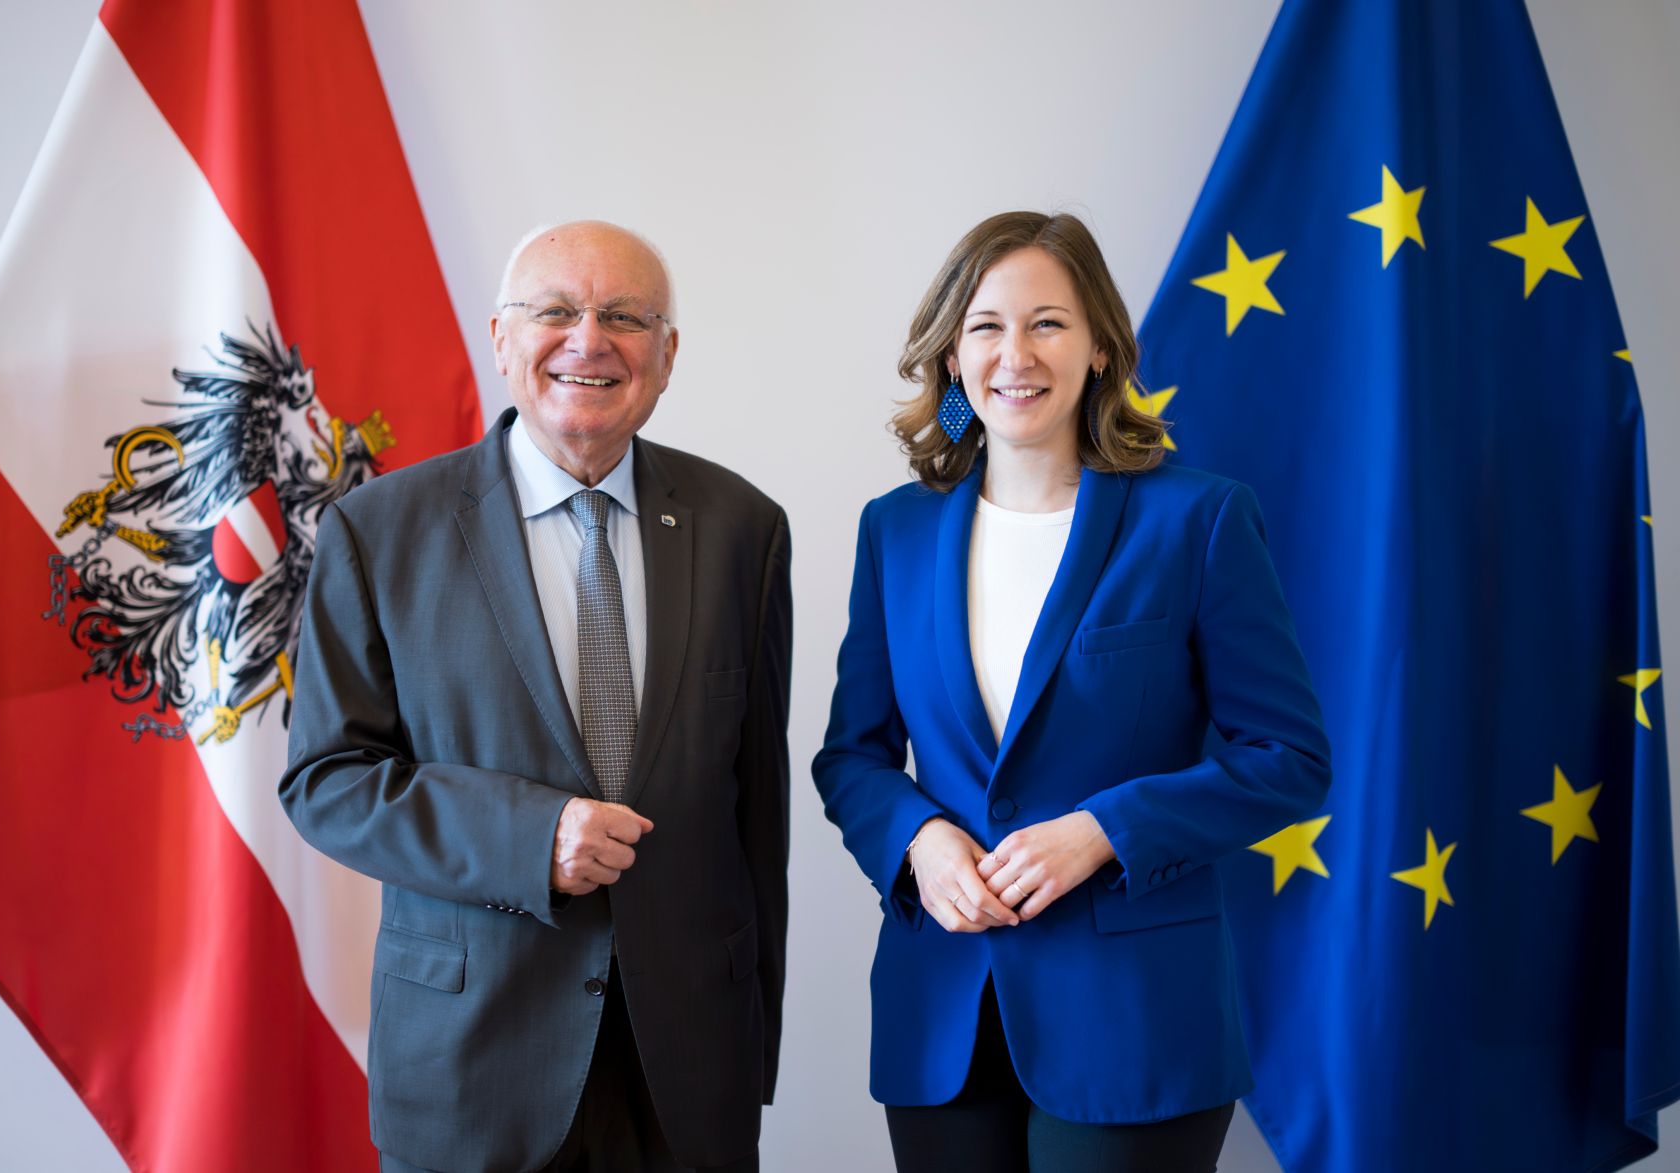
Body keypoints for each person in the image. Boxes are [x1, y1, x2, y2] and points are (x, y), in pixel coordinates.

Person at [812, 210, 1331, 1172]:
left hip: (1136, 1016)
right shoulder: (897, 532)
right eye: (986, 327)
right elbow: (854, 755)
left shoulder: (1199, 518)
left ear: (1099, 347)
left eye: (1048, 322)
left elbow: (1289, 759)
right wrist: (919, 841)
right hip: (944, 1020)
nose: (1017, 354)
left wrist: (1104, 831)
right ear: (953, 356)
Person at [280, 220, 791, 1173]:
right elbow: (328, 780)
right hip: (472, 1068)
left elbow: (757, 817)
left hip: (686, 1074)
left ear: (667, 354)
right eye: (554, 311)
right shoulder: (377, 531)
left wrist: (752, 1049)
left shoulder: (743, 531)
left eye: (625, 316)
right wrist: (530, 836)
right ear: (501, 337)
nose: (588, 339)